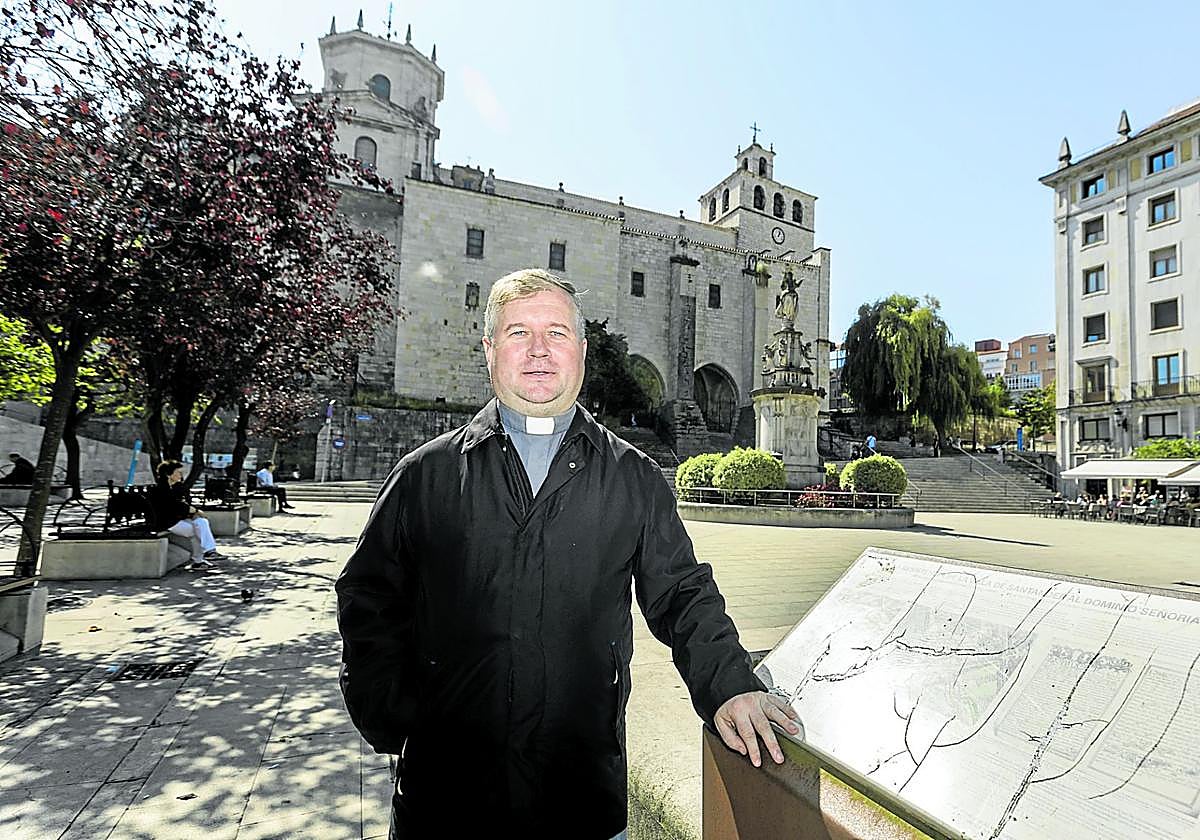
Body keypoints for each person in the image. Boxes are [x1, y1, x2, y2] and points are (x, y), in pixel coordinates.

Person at [336, 269, 798, 840]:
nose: (538, 351)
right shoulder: (425, 476)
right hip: (446, 799)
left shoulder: (634, 478)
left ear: (580, 350)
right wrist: (392, 713)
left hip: (581, 795)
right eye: (517, 333)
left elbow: (682, 594)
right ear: (489, 350)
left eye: (556, 333)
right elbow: (369, 595)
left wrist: (730, 682)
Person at [147, 460, 224, 566]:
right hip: (167, 522)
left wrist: (193, 514)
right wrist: (193, 511)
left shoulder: (176, 487)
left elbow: (183, 505)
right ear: (168, 474)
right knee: (198, 531)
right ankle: (202, 558)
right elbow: (173, 507)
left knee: (202, 522)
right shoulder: (159, 489)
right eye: (178, 472)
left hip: (178, 520)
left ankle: (208, 552)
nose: (180, 474)